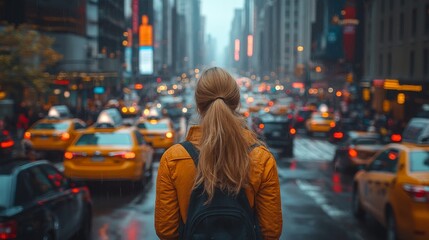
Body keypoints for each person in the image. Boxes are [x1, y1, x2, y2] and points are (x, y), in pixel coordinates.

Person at [155, 67, 283, 239]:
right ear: (236, 103)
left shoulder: (173, 159)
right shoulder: (261, 158)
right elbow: (271, 231)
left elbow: (166, 231)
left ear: (199, 105)